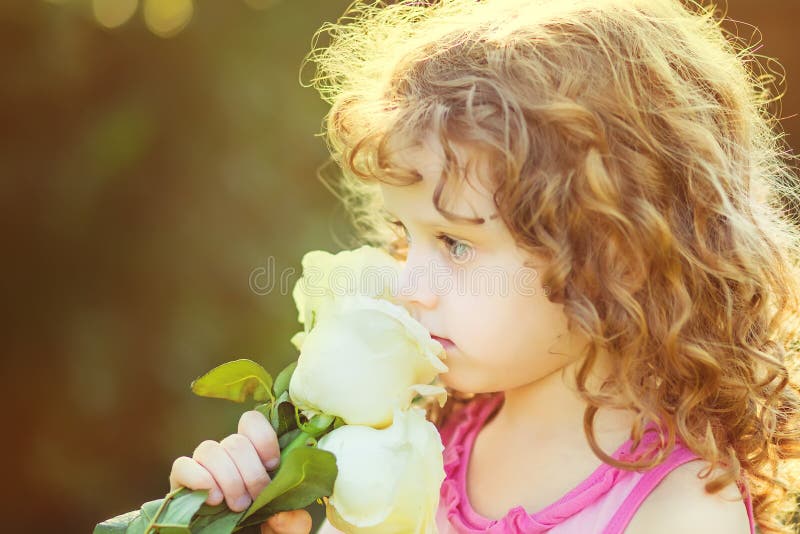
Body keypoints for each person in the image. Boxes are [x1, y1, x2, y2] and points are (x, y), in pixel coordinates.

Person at [167, 0, 800, 532]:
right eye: (404, 234)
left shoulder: (678, 513)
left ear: (617, 253)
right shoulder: (407, 436)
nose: (408, 285)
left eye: (456, 244)